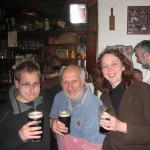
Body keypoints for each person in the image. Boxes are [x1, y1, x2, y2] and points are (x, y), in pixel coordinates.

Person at [93, 49, 150, 150]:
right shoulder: (104, 97)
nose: (109, 69)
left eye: (114, 64)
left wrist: (121, 126)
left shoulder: (143, 90)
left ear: (123, 66)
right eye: (105, 66)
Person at [50, 65, 105, 150]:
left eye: (74, 81)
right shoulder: (59, 97)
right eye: (65, 82)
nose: (70, 87)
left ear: (83, 81)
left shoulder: (96, 106)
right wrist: (52, 123)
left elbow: (94, 147)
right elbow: (52, 120)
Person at [0, 60, 51, 150]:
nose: (32, 90)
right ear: (17, 84)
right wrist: (20, 137)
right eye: (26, 84)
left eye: (35, 84)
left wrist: (52, 122)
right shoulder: (5, 112)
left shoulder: (43, 102)